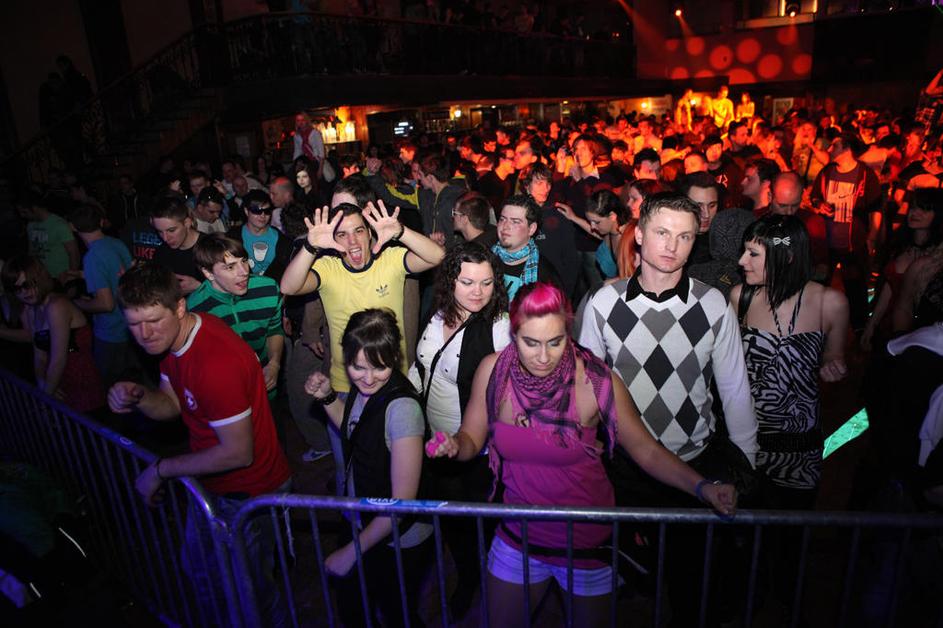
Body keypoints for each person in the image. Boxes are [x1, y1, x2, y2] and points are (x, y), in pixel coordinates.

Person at [427, 282, 736, 628]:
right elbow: (471, 437)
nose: (543, 356)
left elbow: (646, 451)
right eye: (531, 342)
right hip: (517, 536)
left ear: (569, 334)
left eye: (555, 341)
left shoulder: (595, 380)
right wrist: (454, 446)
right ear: (514, 333)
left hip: (586, 546)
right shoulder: (494, 370)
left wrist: (702, 487)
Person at [107, 261, 291, 626]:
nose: (144, 334)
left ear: (179, 307)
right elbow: (172, 403)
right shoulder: (176, 340)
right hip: (214, 483)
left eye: (153, 321)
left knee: (251, 597)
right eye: (134, 324)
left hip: (249, 492)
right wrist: (138, 396)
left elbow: (238, 453)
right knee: (203, 573)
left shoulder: (215, 363)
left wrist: (161, 470)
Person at [303, 309, 432, 628]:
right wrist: (328, 398)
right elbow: (358, 429)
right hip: (365, 521)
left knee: (397, 614)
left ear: (394, 358)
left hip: (396, 540)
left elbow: (401, 503)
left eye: (380, 367)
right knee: (356, 608)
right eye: (358, 367)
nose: (369, 378)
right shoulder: (365, 391)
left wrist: (352, 551)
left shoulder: (403, 410)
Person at [407, 241, 511, 618]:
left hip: (475, 450)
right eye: (467, 282)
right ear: (451, 280)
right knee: (451, 520)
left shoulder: (499, 326)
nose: (478, 292)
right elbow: (422, 367)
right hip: (432, 439)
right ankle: (468, 575)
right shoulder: (437, 313)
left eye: (486, 283)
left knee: (478, 526)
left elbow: (509, 392)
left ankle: (483, 585)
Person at [731, 215, 849, 506]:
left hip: (800, 451)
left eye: (753, 254)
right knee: (741, 526)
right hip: (746, 444)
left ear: (787, 256)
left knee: (789, 526)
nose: (742, 261)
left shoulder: (830, 303)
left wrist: (833, 366)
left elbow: (834, 355)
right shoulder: (740, 297)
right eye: (744, 251)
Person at [1, 256, 104, 413]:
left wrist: (44, 399)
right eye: (16, 289)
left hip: (82, 386)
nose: (23, 292)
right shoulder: (32, 310)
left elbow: (58, 358)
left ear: (39, 278)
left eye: (27, 284)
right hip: (57, 384)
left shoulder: (57, 306)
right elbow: (39, 356)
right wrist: (43, 383)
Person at [188, 234, 285, 397]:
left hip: (264, 383)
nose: (244, 272)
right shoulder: (195, 308)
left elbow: (274, 330)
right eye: (230, 267)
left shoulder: (268, 289)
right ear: (208, 273)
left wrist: (274, 364)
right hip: (224, 388)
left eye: (244, 261)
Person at [68, 205, 137, 388]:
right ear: (101, 222)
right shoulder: (116, 243)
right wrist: (83, 275)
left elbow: (106, 304)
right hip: (130, 326)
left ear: (72, 227)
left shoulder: (92, 256)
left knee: (111, 388)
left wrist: (77, 303)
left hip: (110, 333)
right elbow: (119, 275)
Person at [493, 194, 561, 301]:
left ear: (531, 229)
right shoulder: (485, 258)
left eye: (515, 222)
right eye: (502, 219)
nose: (505, 226)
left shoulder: (544, 275)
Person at [227, 189, 293, 282]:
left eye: (267, 211)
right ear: (246, 211)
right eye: (257, 211)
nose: (263, 215)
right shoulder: (232, 237)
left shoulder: (283, 241)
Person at [151, 195, 204, 295]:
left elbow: (230, 294)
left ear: (187, 223)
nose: (165, 238)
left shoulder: (211, 248)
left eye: (171, 230)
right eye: (160, 232)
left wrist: (199, 287)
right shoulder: (161, 253)